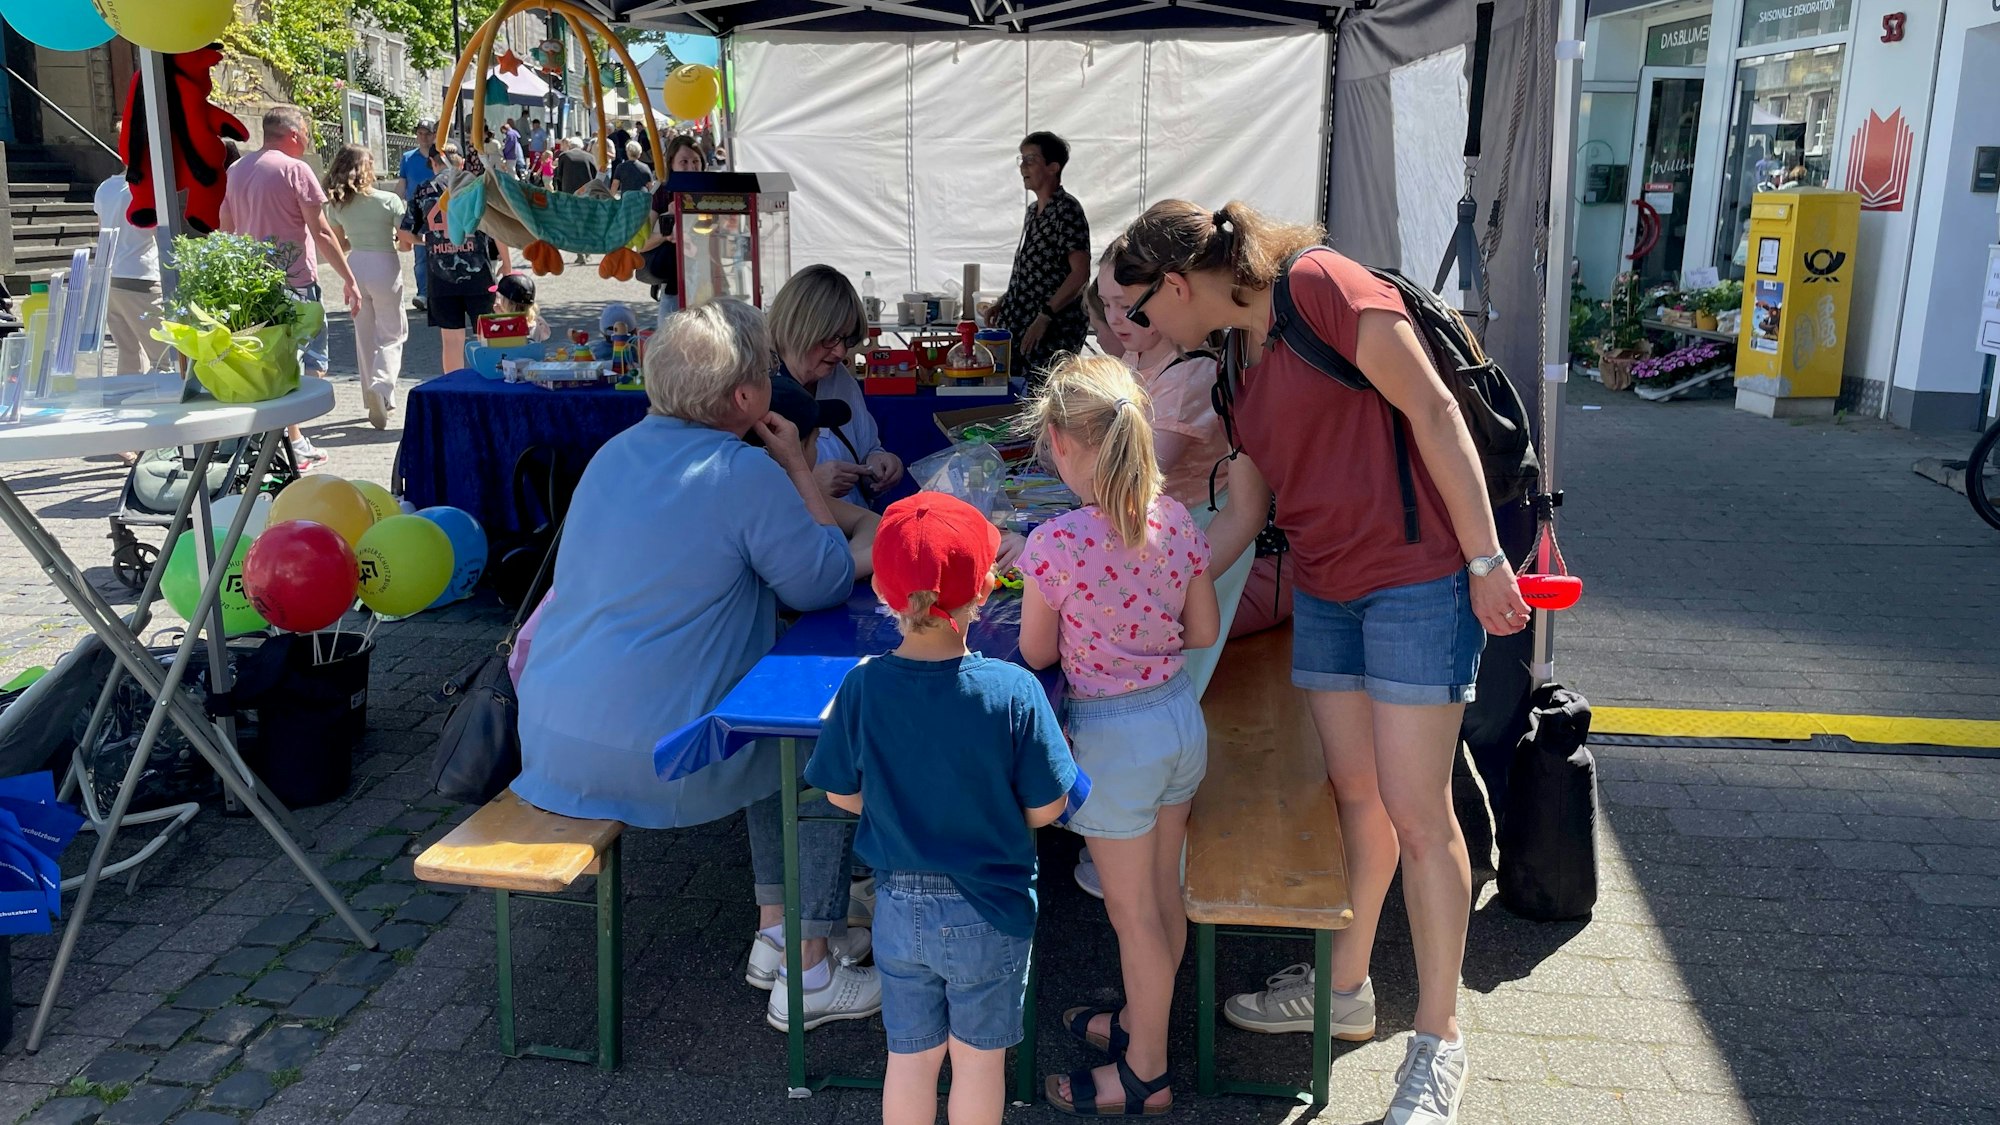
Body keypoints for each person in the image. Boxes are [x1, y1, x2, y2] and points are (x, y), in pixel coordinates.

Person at [1112, 200, 1532, 1125]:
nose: (1138, 328)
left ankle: (1438, 1042)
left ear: (1176, 286)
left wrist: (1486, 556)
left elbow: (1431, 408)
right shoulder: (1232, 358)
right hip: (1330, 593)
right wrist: (1136, 580)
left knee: (1421, 815)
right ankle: (1347, 990)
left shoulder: (1322, 286)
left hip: (1418, 582)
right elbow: (1242, 516)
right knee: (1358, 795)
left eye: (1139, 309)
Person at [514, 299, 880, 1034]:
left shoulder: (614, 453)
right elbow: (824, 582)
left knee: (765, 721)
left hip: (552, 733)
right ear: (745, 397)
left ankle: (779, 933)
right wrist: (798, 469)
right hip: (654, 753)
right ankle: (806, 968)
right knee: (817, 735)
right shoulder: (741, 471)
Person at [806, 492, 1076, 1125]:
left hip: (898, 907)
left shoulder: (862, 685)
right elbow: (1049, 807)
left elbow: (842, 793)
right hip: (989, 906)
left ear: (885, 591)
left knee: (910, 1058)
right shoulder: (1014, 690)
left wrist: (896, 808)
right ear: (984, 587)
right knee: (978, 1063)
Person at [1015, 355, 1219, 1116]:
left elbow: (1036, 653)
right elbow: (1200, 628)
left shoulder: (1055, 544)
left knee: (1132, 915)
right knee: (1161, 898)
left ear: (1063, 444)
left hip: (1112, 739)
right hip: (1176, 718)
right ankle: (1145, 1017)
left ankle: (1146, 1071)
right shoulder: (1178, 520)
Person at [219, 104, 358, 469]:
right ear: (294, 134)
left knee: (272, 363)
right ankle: (291, 440)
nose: (309, 138)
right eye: (307, 132)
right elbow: (322, 231)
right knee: (309, 362)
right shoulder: (296, 169)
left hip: (252, 285)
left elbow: (226, 226)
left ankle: (286, 437)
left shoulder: (237, 169)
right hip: (294, 281)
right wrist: (350, 279)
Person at [767, 266, 903, 505]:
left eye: (848, 339)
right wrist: (808, 484)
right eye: (831, 337)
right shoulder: (760, 388)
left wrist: (880, 465)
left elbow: (867, 447)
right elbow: (742, 495)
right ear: (799, 328)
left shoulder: (839, 380)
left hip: (850, 532)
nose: (840, 352)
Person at [988, 132, 1090, 383]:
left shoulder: (1066, 210)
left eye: (1031, 160)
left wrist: (1045, 316)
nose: (1023, 167)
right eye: (1021, 160)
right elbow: (1033, 269)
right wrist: (1004, 300)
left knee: (1041, 398)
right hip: (1020, 325)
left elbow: (1080, 273)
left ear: (1053, 167)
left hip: (1051, 330)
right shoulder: (1033, 211)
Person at [398, 151, 507, 373]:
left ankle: (453, 385)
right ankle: (488, 380)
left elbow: (404, 233)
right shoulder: (476, 187)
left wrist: (425, 241)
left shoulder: (423, 190)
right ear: (462, 163)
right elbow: (497, 229)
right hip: (479, 273)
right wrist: (507, 263)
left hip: (440, 276)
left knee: (451, 340)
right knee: (486, 335)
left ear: (432, 163)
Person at [323, 144, 408, 430]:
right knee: (392, 333)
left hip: (355, 264)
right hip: (385, 264)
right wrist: (401, 242)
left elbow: (340, 243)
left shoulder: (336, 204)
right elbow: (405, 240)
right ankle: (382, 387)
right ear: (367, 168)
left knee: (365, 335)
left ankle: (373, 397)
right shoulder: (389, 200)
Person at [91, 173, 169, 377]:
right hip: (142, 276)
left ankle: (126, 400)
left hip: (111, 276)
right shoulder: (148, 187)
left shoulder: (105, 187)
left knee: (129, 355)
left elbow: (102, 231)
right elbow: (161, 234)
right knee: (163, 358)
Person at [641, 134, 710, 324]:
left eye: (695, 161)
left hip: (711, 281)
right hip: (674, 284)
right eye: (684, 161)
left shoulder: (713, 190)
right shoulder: (662, 193)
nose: (691, 167)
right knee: (670, 339)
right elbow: (642, 243)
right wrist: (667, 232)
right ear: (671, 163)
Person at [399, 122, 438, 312]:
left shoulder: (439, 157)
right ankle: (423, 293)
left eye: (427, 133)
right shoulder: (407, 158)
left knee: (441, 251)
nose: (423, 137)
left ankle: (442, 292)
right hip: (417, 214)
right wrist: (396, 206)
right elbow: (402, 184)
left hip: (439, 211)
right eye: (420, 133)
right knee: (421, 256)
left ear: (434, 135)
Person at [555, 136, 599, 266]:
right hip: (587, 194)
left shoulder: (564, 156)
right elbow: (596, 177)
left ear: (570, 145)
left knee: (574, 223)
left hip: (570, 195)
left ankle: (580, 254)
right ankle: (588, 251)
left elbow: (558, 176)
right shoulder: (590, 157)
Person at [492, 273, 552, 343]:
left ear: (507, 303)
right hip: (534, 353)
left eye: (499, 297)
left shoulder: (502, 325)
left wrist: (502, 317)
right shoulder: (538, 322)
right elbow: (546, 335)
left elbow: (490, 342)